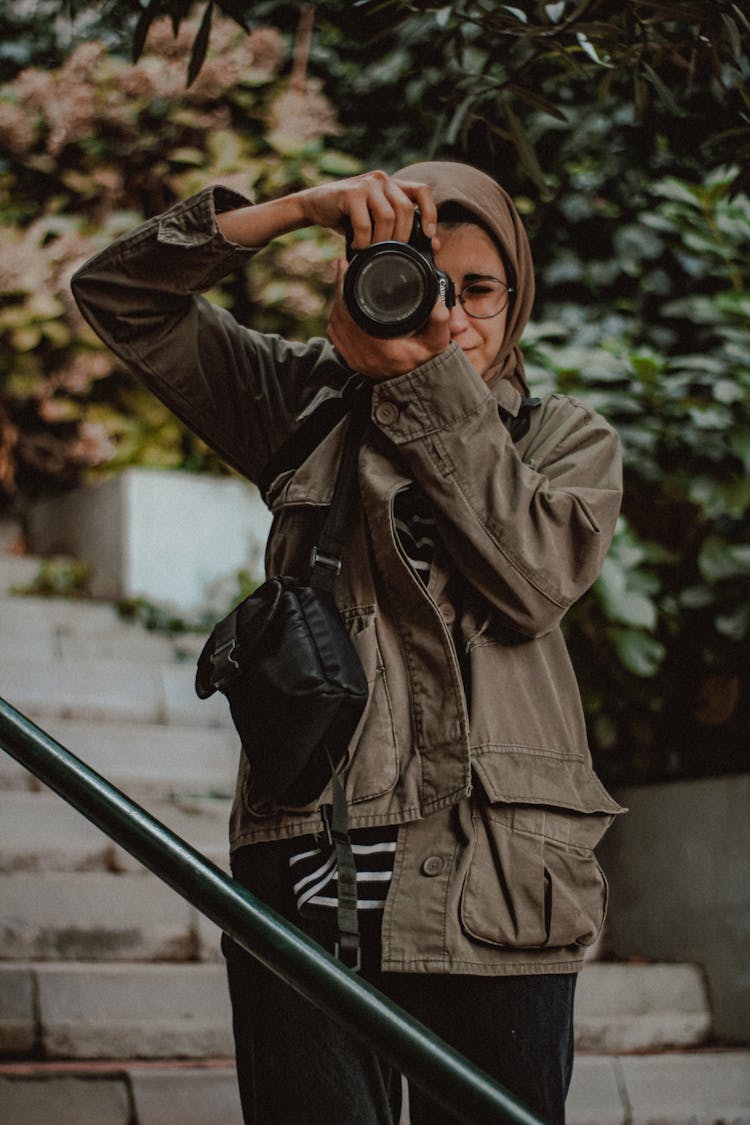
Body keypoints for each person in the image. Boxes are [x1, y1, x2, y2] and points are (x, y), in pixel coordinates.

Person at [72, 161, 624, 1125]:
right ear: (367, 272)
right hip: (308, 870)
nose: (450, 310)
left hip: (497, 882)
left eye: (480, 288)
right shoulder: (301, 401)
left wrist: (425, 380)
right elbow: (118, 295)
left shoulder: (564, 439)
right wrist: (293, 212)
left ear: (517, 298)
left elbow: (532, 579)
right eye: (416, 272)